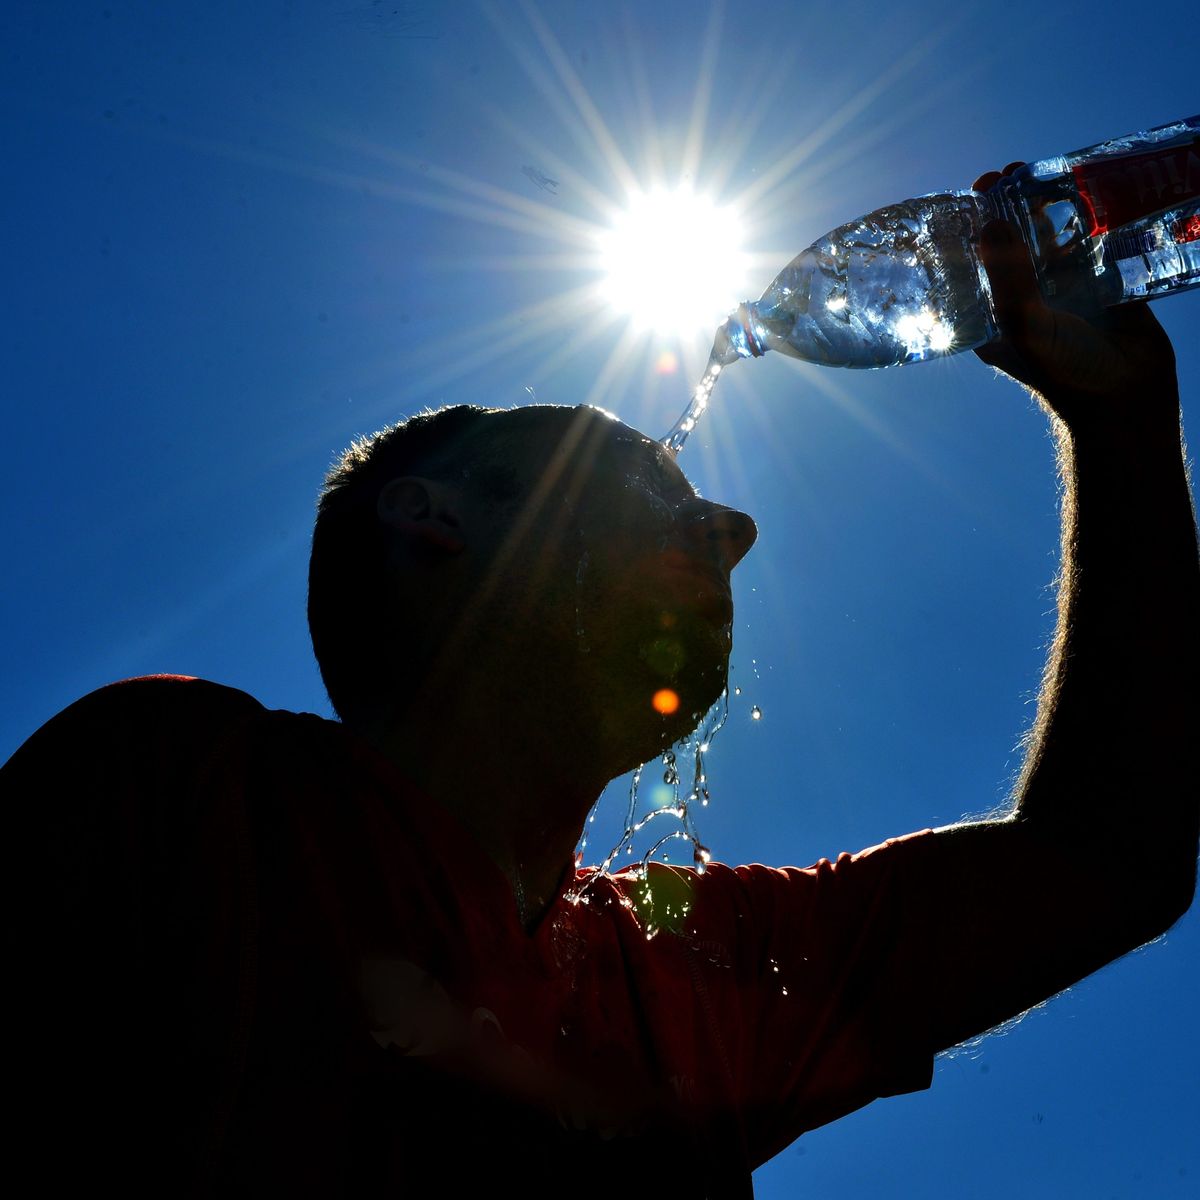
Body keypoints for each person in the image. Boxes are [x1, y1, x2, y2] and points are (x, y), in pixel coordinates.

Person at [6, 172, 1197, 1198]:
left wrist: (1125, 431)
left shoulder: (691, 970)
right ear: (436, 521)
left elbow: (1108, 860)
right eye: (645, 480)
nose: (732, 528)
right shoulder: (189, 791)